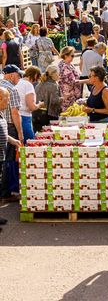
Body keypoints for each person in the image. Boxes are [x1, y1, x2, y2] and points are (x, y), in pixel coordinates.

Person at [0, 65, 23, 203]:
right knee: (7, 164)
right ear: (11, 74)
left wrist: (12, 140)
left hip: (5, 128)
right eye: (17, 75)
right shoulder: (11, 90)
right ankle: (5, 192)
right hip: (9, 126)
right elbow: (15, 112)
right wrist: (20, 133)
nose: (18, 78)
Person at [0, 86, 21, 229]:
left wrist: (12, 140)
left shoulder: (1, 114)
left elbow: (2, 133)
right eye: (6, 99)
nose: (8, 102)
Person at [15, 66, 42, 143]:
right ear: (35, 75)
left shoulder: (18, 82)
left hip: (16, 116)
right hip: (25, 118)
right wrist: (40, 105)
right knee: (30, 144)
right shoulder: (28, 85)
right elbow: (32, 107)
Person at [33, 65, 62, 130]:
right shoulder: (53, 85)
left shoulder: (40, 83)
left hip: (36, 113)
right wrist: (63, 98)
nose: (59, 75)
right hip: (47, 115)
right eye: (58, 73)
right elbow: (54, 101)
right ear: (54, 74)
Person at [58, 46, 82, 111]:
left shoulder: (69, 64)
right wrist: (87, 81)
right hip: (68, 95)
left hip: (72, 94)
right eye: (72, 55)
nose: (73, 57)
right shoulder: (64, 66)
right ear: (65, 56)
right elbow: (72, 81)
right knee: (68, 113)